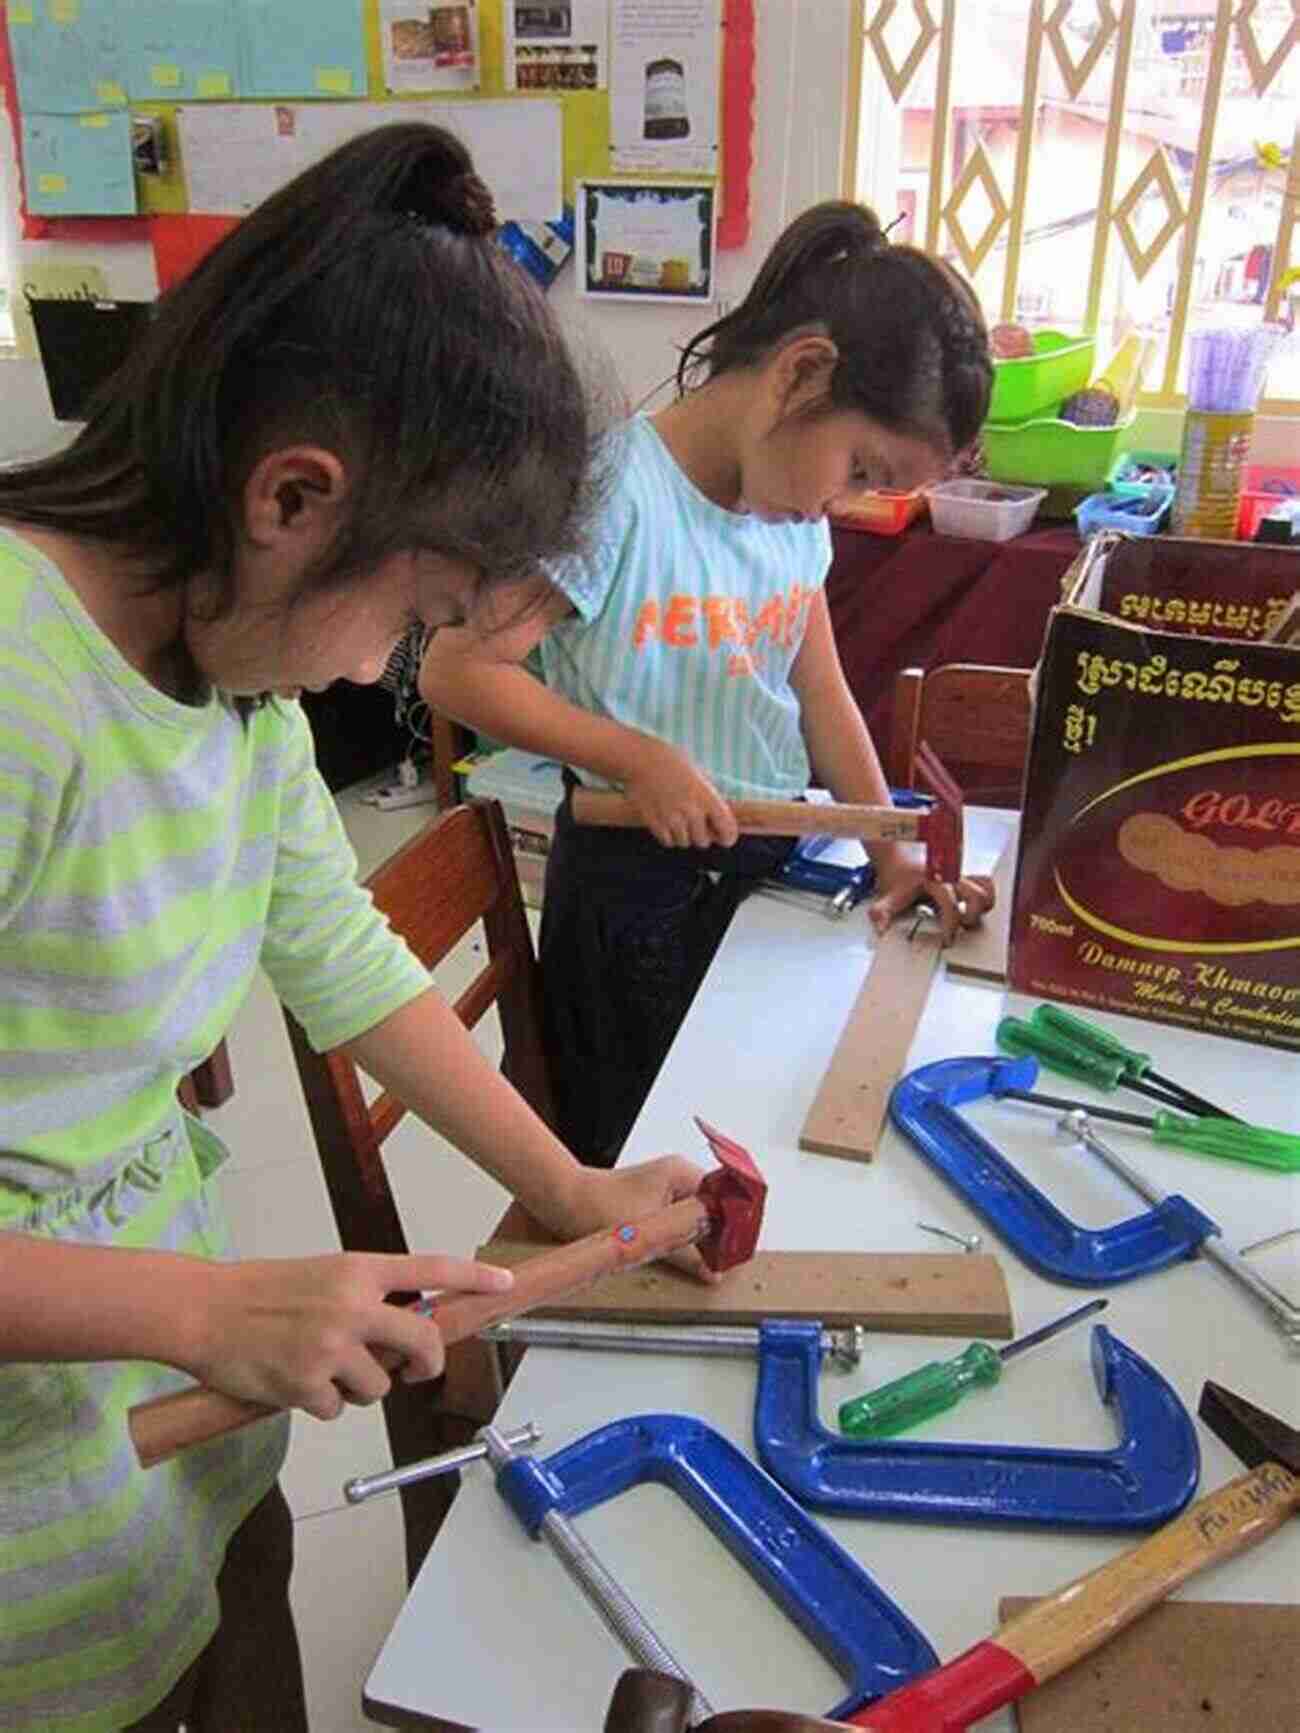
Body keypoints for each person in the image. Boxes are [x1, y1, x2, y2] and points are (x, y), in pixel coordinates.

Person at [0, 123, 712, 1733]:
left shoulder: (230, 695)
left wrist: (570, 1187)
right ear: (293, 499)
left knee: (229, 1605)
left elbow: (343, 960)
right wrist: (201, 1314)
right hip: (40, 1479)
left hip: (158, 1382)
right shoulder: (21, 684)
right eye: (410, 620)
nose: (378, 669)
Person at [420, 201, 998, 1167]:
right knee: (642, 1155)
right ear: (800, 373)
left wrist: (892, 855)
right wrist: (631, 757)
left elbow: (823, 693)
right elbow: (457, 670)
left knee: (751, 1129)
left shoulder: (789, 518)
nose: (842, 501)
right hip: (631, 895)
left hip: (758, 874)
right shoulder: (615, 494)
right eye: (860, 466)